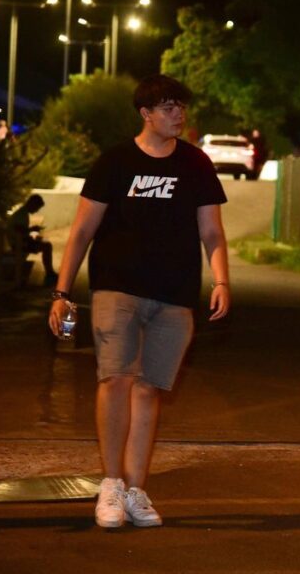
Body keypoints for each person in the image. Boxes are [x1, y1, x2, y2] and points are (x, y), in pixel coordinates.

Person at [47, 74, 230, 529]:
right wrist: (62, 292)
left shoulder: (197, 164)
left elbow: (212, 231)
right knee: (115, 379)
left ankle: (134, 489)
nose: (178, 116)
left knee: (150, 389)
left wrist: (222, 280)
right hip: (116, 289)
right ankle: (109, 484)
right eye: (169, 108)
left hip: (175, 296)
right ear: (145, 114)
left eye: (181, 108)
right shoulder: (115, 162)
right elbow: (82, 232)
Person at [6, 194, 58, 284]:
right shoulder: (22, 214)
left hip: (18, 242)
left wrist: (31, 233)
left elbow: (20, 230)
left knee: (43, 243)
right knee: (47, 246)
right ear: (33, 204)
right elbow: (19, 230)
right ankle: (49, 273)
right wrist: (32, 229)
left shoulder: (22, 212)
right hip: (18, 244)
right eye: (37, 208)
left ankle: (50, 272)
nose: (37, 210)